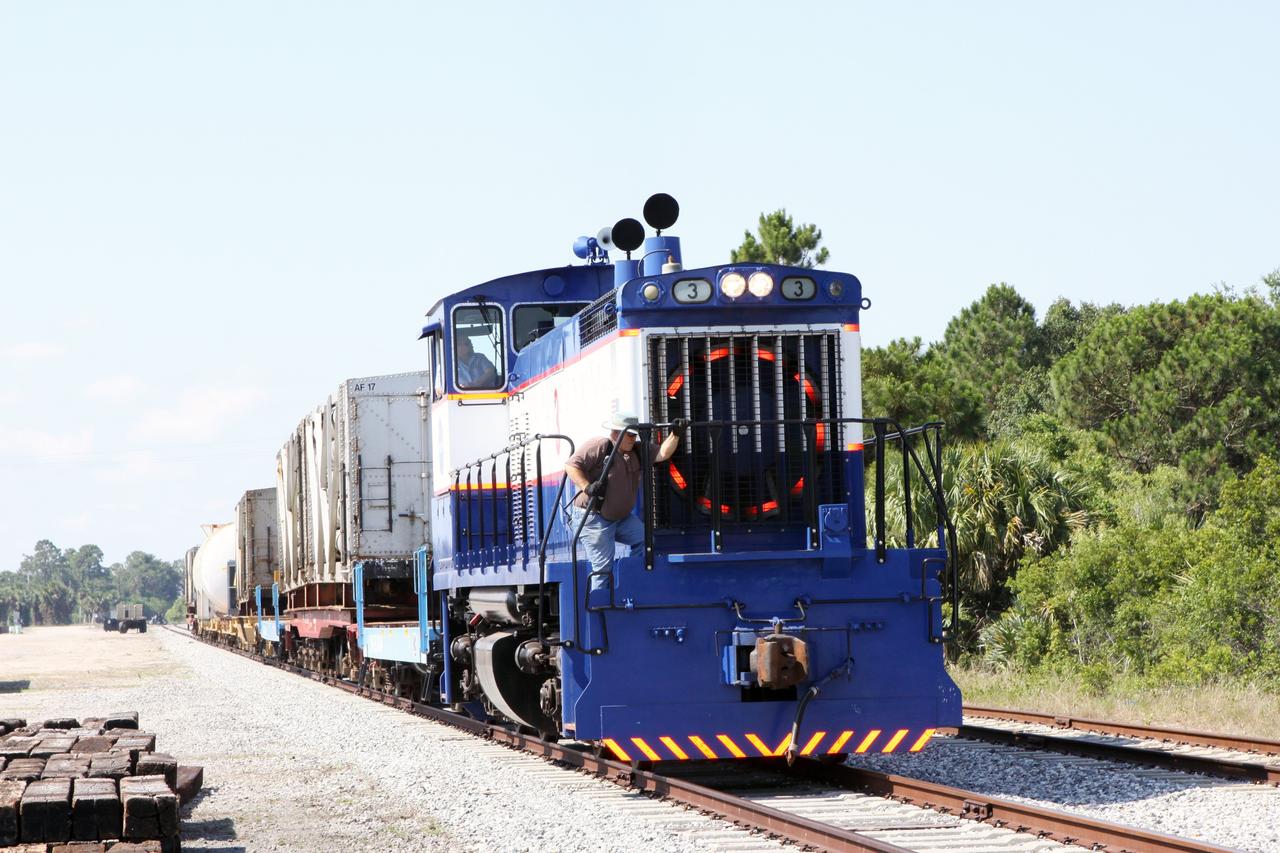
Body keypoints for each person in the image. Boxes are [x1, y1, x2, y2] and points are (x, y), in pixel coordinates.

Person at [565, 412, 688, 590]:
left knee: (645, 541)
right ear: (616, 433)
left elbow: (662, 454)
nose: (633, 438)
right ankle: (600, 610)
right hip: (593, 518)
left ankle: (630, 585)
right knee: (602, 568)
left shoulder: (637, 450)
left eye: (635, 434)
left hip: (620, 518)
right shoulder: (599, 446)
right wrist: (587, 487)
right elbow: (571, 465)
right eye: (630, 434)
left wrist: (675, 433)